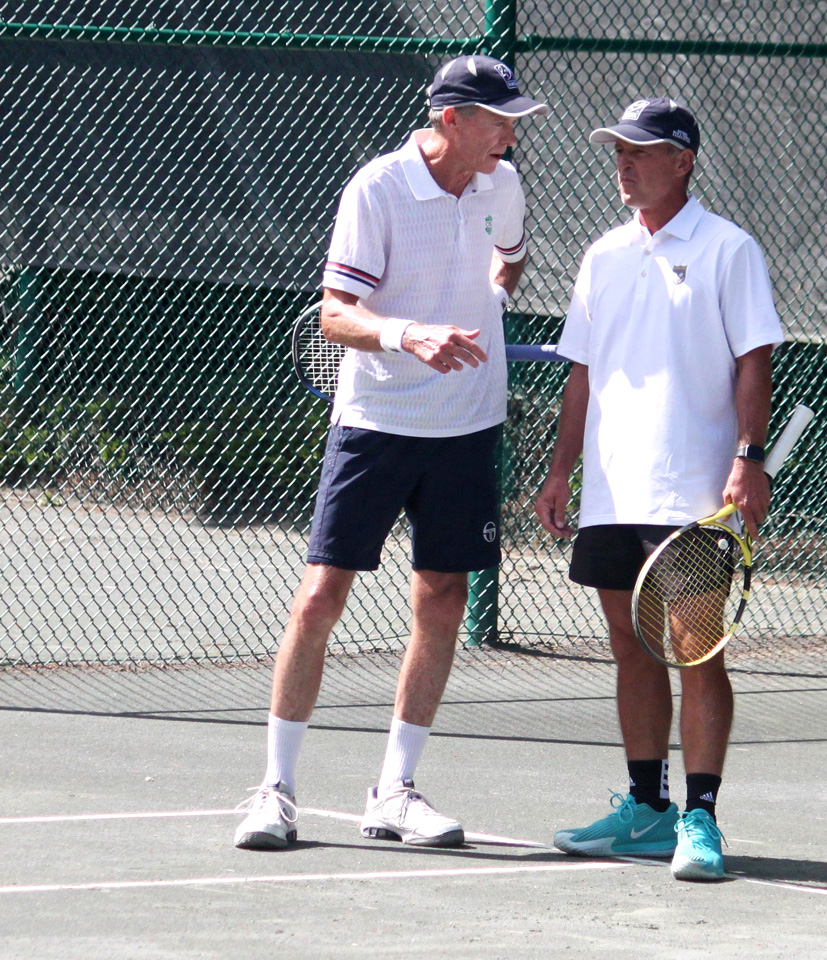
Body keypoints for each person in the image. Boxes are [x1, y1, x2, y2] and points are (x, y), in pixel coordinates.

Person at [234, 56, 548, 850]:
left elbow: (511, 256)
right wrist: (410, 334)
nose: (510, 136)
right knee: (320, 599)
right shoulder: (376, 188)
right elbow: (334, 314)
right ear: (451, 119)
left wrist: (492, 298)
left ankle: (396, 792)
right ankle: (275, 790)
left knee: (443, 600)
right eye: (498, 120)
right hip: (377, 420)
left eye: (513, 122)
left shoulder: (503, 184)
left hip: (467, 424)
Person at [533, 97, 783, 880]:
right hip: (613, 490)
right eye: (619, 151)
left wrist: (748, 458)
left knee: (694, 650)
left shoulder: (728, 249)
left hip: (693, 492)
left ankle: (700, 818)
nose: (625, 163)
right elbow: (581, 373)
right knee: (629, 646)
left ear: (683, 161)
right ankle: (648, 809)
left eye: (640, 152)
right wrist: (561, 469)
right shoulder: (603, 255)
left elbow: (753, 360)